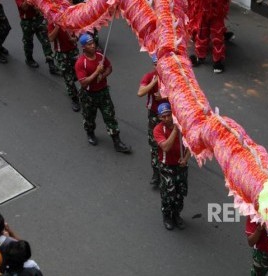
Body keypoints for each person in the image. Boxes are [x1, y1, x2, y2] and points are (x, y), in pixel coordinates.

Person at [74, 33, 131, 153]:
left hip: (103, 92)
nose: (93, 46)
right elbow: (84, 83)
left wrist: (103, 74)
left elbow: (109, 68)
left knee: (110, 116)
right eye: (89, 44)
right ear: (84, 47)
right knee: (89, 117)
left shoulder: (100, 56)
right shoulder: (80, 63)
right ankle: (90, 133)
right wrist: (96, 73)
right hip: (89, 95)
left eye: (93, 43)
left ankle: (117, 141)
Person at [153, 103, 191, 230]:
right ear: (159, 117)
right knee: (168, 193)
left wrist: (185, 159)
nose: (166, 119)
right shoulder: (158, 130)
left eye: (168, 115)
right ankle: (167, 216)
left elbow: (192, 145)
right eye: (163, 117)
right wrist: (175, 129)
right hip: (166, 167)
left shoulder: (184, 127)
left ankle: (176, 215)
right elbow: (166, 147)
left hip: (181, 167)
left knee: (180, 193)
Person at [137, 54, 169, 188]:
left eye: (160, 64)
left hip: (170, 115)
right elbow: (140, 92)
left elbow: (179, 94)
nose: (158, 67)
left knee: (171, 141)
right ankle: (156, 173)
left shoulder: (170, 77)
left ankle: (171, 166)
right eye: (156, 64)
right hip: (155, 115)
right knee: (155, 145)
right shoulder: (149, 77)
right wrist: (154, 83)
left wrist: (165, 95)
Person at [15, 0, 59, 74]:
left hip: (38, 18)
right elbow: (24, 7)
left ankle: (51, 65)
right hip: (27, 21)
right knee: (28, 41)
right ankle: (29, 59)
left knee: (46, 41)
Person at [48, 20, 81, 112]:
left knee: (78, 74)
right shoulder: (52, 23)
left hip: (73, 52)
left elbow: (78, 32)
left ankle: (72, 86)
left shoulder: (70, 19)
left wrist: (75, 39)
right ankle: (74, 99)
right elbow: (50, 38)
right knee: (68, 78)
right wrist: (58, 27)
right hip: (61, 54)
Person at [189, 0, 230, 73]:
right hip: (203, 10)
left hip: (217, 11)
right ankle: (200, 56)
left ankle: (218, 61)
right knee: (202, 33)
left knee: (217, 34)